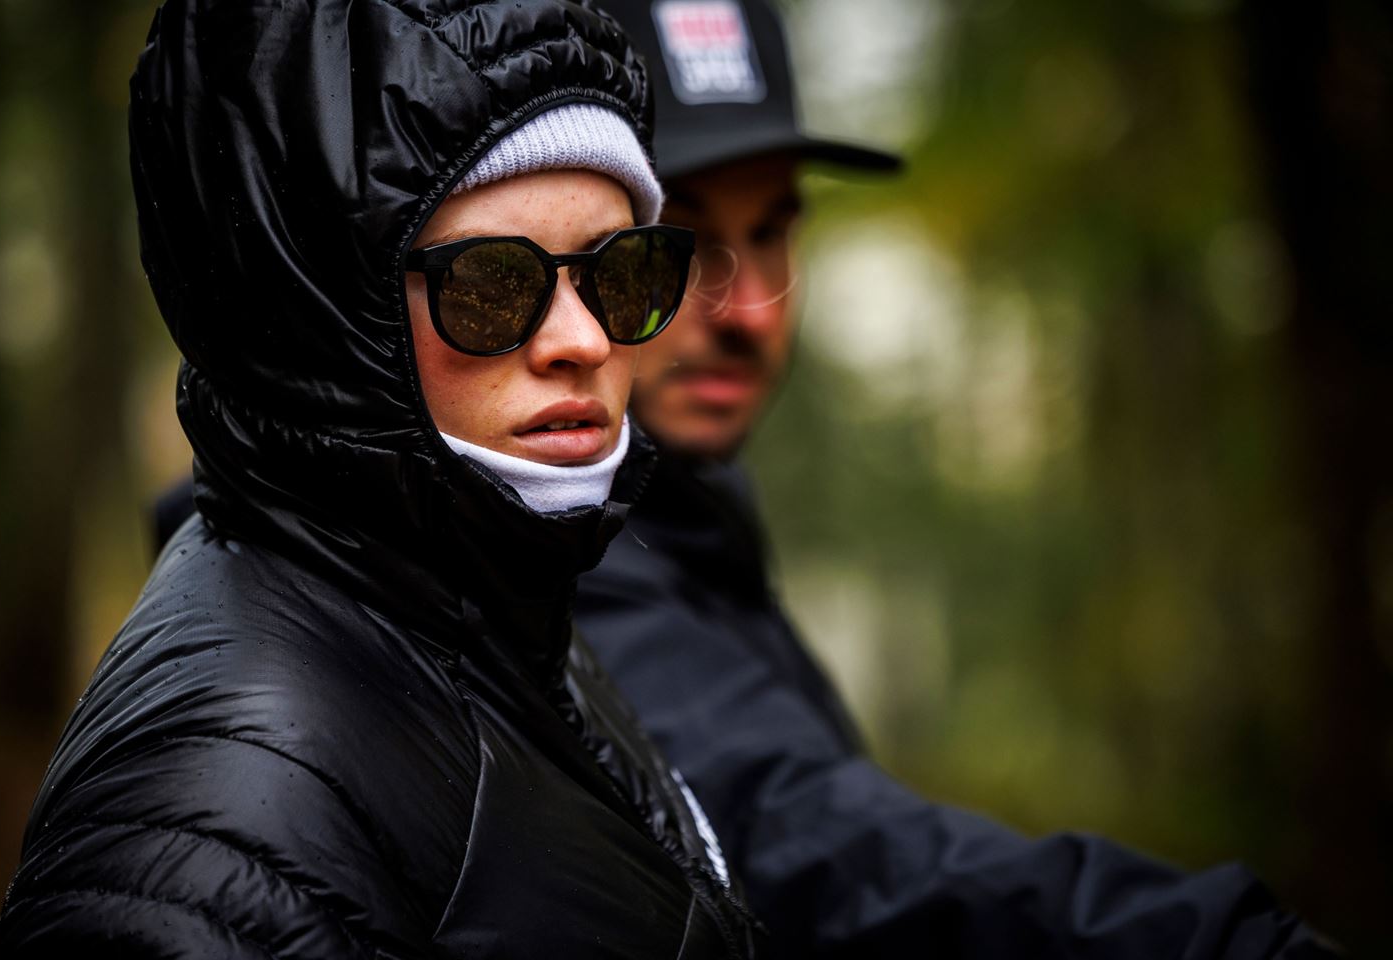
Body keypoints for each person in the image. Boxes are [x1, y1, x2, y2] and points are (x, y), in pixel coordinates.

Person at [0, 1, 762, 956]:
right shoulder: (210, 818)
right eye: (492, 285)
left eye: (624, 269)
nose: (585, 339)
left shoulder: (495, 606)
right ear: (321, 313)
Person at [573, 1, 1340, 957]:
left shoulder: (690, 514)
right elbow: (804, 838)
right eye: (681, 240)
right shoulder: (559, 547)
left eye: (773, 232)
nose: (752, 311)